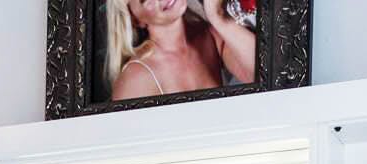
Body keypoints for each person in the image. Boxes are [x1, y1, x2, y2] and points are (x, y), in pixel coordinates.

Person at [107, 0, 256, 102]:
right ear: (135, 19)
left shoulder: (208, 35)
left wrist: (218, 17)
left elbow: (261, 74)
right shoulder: (137, 77)